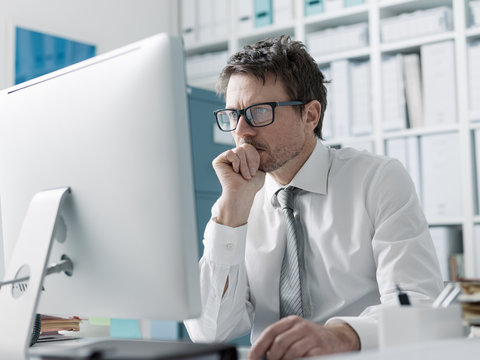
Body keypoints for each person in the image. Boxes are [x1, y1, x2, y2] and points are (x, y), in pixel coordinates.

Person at [184, 35, 443, 359]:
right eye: (233, 115)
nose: (242, 131)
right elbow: (209, 330)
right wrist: (231, 211)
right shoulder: (239, 204)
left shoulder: (377, 180)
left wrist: (339, 337)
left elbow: (420, 305)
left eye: (259, 112)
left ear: (310, 115)